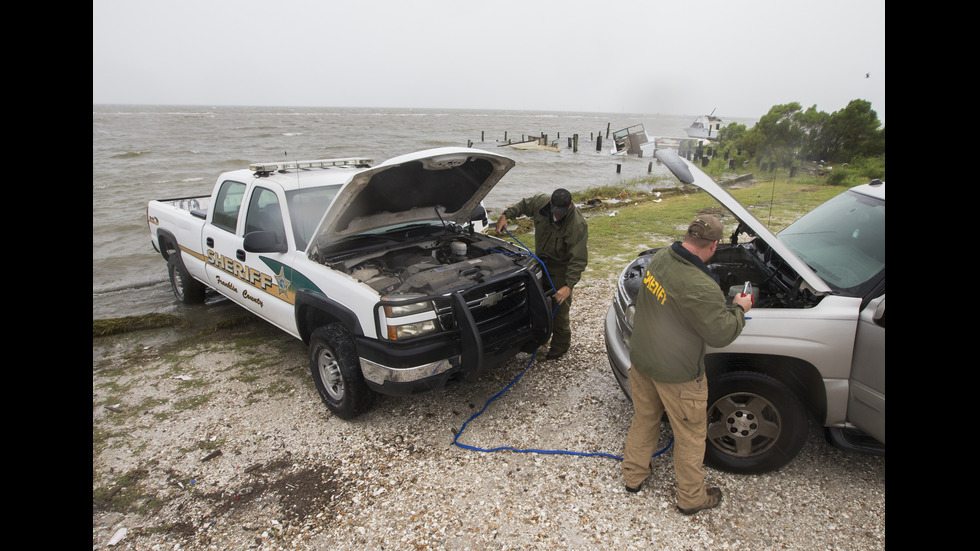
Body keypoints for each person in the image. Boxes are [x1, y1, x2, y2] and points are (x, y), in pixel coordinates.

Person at [621, 214, 752, 515]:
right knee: (691, 436)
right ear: (715, 245)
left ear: (689, 235)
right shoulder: (700, 286)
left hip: (643, 361)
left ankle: (634, 476)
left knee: (644, 419)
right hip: (678, 375)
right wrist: (739, 309)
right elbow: (721, 334)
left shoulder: (662, 257)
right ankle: (692, 498)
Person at [494, 188, 588, 360]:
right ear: (550, 203)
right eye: (555, 212)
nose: (557, 216)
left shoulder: (577, 225)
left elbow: (579, 259)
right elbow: (523, 205)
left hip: (560, 269)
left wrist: (568, 286)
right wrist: (505, 215)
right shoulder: (540, 202)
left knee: (559, 308)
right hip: (539, 262)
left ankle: (560, 345)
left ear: (571, 205)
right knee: (535, 302)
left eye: (562, 213)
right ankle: (539, 336)